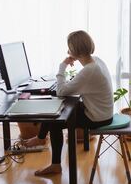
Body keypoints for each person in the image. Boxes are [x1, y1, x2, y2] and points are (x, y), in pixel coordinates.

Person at [24, 30, 114, 176]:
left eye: (69, 47)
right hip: (101, 111)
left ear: (74, 50)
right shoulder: (96, 61)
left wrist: (62, 66)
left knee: (55, 121)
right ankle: (41, 138)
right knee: (55, 109)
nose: (67, 50)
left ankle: (54, 164)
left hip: (97, 118)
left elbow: (61, 91)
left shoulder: (89, 70)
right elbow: (76, 86)